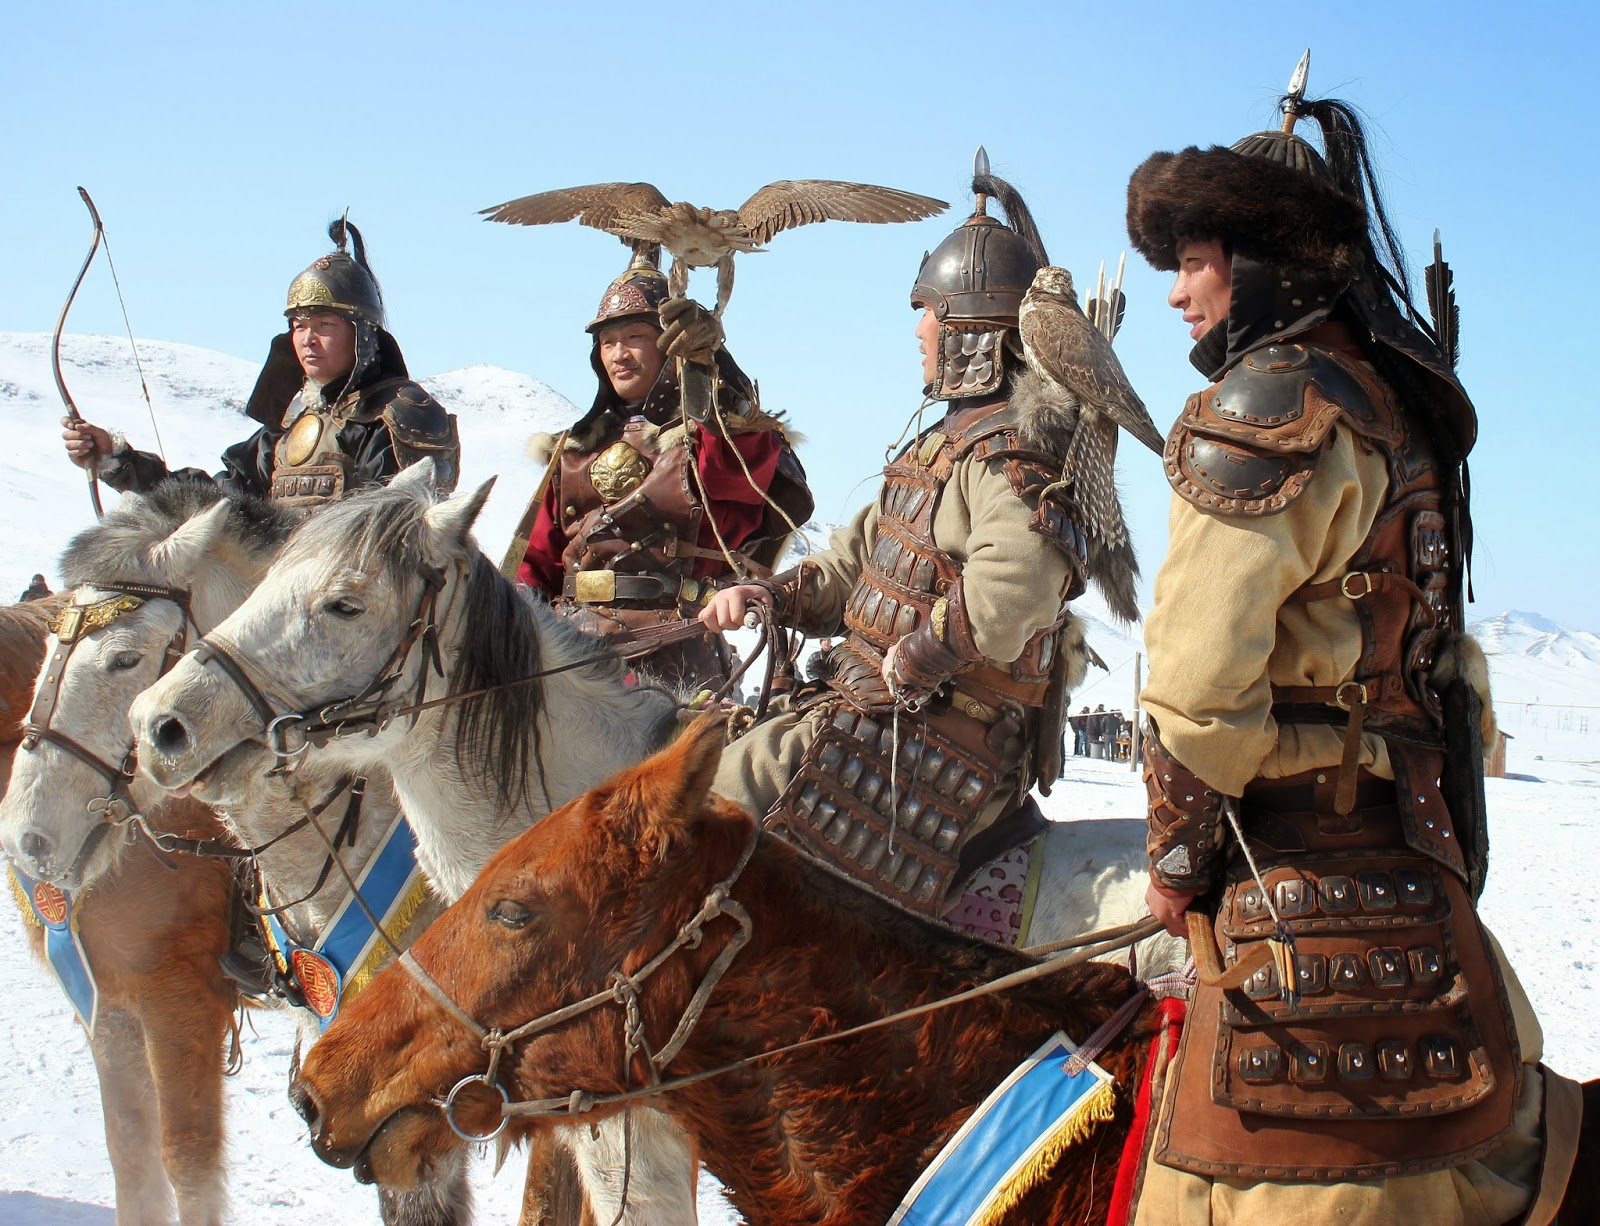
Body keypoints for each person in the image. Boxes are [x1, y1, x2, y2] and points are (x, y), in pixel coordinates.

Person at [1124, 72, 1550, 1223]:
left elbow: (1196, 688)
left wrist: (1174, 861)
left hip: (1296, 900)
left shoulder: (1262, 408)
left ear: (1261, 261)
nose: (1175, 292)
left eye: (1193, 261)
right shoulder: (1392, 409)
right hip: (1419, 884)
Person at [697, 169, 1143, 920]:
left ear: (968, 330)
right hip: (874, 709)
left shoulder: (1011, 454)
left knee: (716, 797)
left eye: (926, 314)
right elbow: (856, 561)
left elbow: (1019, 583)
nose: (916, 332)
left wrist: (919, 655)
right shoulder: (941, 445)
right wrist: (769, 593)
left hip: (943, 736)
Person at [513, 255, 811, 692]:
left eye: (634, 336)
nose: (619, 353)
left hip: (676, 652)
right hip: (569, 655)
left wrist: (715, 369)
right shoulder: (573, 452)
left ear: (669, 344)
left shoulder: (710, 441)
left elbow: (741, 464)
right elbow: (537, 565)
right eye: (608, 341)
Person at [62, 220, 459, 506]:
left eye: (324, 325)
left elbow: (399, 536)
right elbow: (217, 502)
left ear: (362, 335)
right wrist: (119, 460)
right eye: (299, 326)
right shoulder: (288, 428)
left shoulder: (402, 415)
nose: (308, 339)